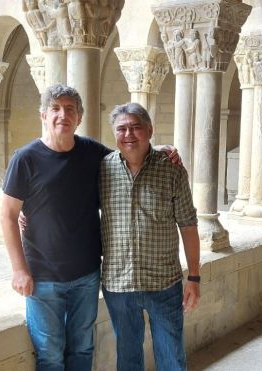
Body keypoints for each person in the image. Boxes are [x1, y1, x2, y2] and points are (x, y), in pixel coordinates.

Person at [0, 85, 180, 370]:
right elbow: (8, 216)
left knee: (83, 349)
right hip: (43, 277)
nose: (63, 115)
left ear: (79, 117)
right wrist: (19, 269)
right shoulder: (25, 158)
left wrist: (162, 149)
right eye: (56, 109)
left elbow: (130, 154)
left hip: (86, 274)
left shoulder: (93, 153)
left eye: (70, 109)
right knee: (49, 353)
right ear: (43, 115)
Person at [99, 102, 201, 371]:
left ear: (150, 130)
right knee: (128, 358)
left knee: (172, 357)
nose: (129, 134)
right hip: (118, 284)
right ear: (115, 134)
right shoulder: (102, 170)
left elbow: (188, 225)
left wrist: (194, 277)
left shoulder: (172, 169)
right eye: (122, 129)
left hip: (163, 283)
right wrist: (27, 212)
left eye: (136, 127)